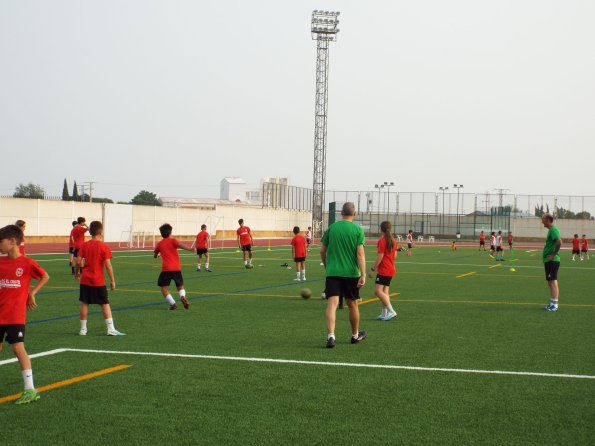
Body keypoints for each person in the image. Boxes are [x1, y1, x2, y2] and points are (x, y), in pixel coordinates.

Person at [0, 224, 49, 404]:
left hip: (15, 315)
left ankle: (30, 389)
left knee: (17, 347)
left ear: (12, 241)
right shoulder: (0, 262)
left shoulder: (27, 263)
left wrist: (32, 292)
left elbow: (45, 276)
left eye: (1, 241)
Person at [321, 202, 366, 348]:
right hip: (351, 273)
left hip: (333, 272)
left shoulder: (332, 228)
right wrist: (363, 274)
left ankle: (331, 335)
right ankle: (354, 335)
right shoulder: (357, 230)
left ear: (341, 212)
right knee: (352, 304)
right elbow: (360, 253)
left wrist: (328, 267)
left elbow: (322, 251)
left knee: (332, 304)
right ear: (355, 213)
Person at [75, 221, 124, 336]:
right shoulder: (104, 247)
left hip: (85, 279)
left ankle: (83, 330)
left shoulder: (84, 245)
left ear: (90, 232)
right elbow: (108, 265)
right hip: (98, 281)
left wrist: (77, 273)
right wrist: (112, 280)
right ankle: (111, 329)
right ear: (101, 231)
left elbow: (78, 261)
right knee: (104, 303)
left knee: (84, 303)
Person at [154, 223, 194, 310]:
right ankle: (182, 296)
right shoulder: (173, 240)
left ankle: (173, 304)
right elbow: (180, 245)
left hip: (166, 269)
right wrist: (190, 249)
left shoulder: (160, 244)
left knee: (164, 288)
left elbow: (155, 254)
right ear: (170, 232)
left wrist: (157, 255)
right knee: (180, 286)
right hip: (176, 268)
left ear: (161, 233)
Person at [369, 221, 397, 321]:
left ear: (381, 229)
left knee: (378, 291)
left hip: (384, 269)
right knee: (385, 292)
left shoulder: (382, 241)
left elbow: (380, 256)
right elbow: (395, 256)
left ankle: (391, 311)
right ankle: (384, 313)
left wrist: (373, 268)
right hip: (391, 268)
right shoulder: (393, 241)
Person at [541, 214, 561, 311]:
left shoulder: (553, 229)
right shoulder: (551, 230)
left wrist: (553, 255)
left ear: (548, 220)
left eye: (543, 220)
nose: (542, 222)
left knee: (553, 282)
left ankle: (554, 305)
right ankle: (552, 302)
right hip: (549, 261)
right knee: (550, 282)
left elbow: (559, 241)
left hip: (552, 261)